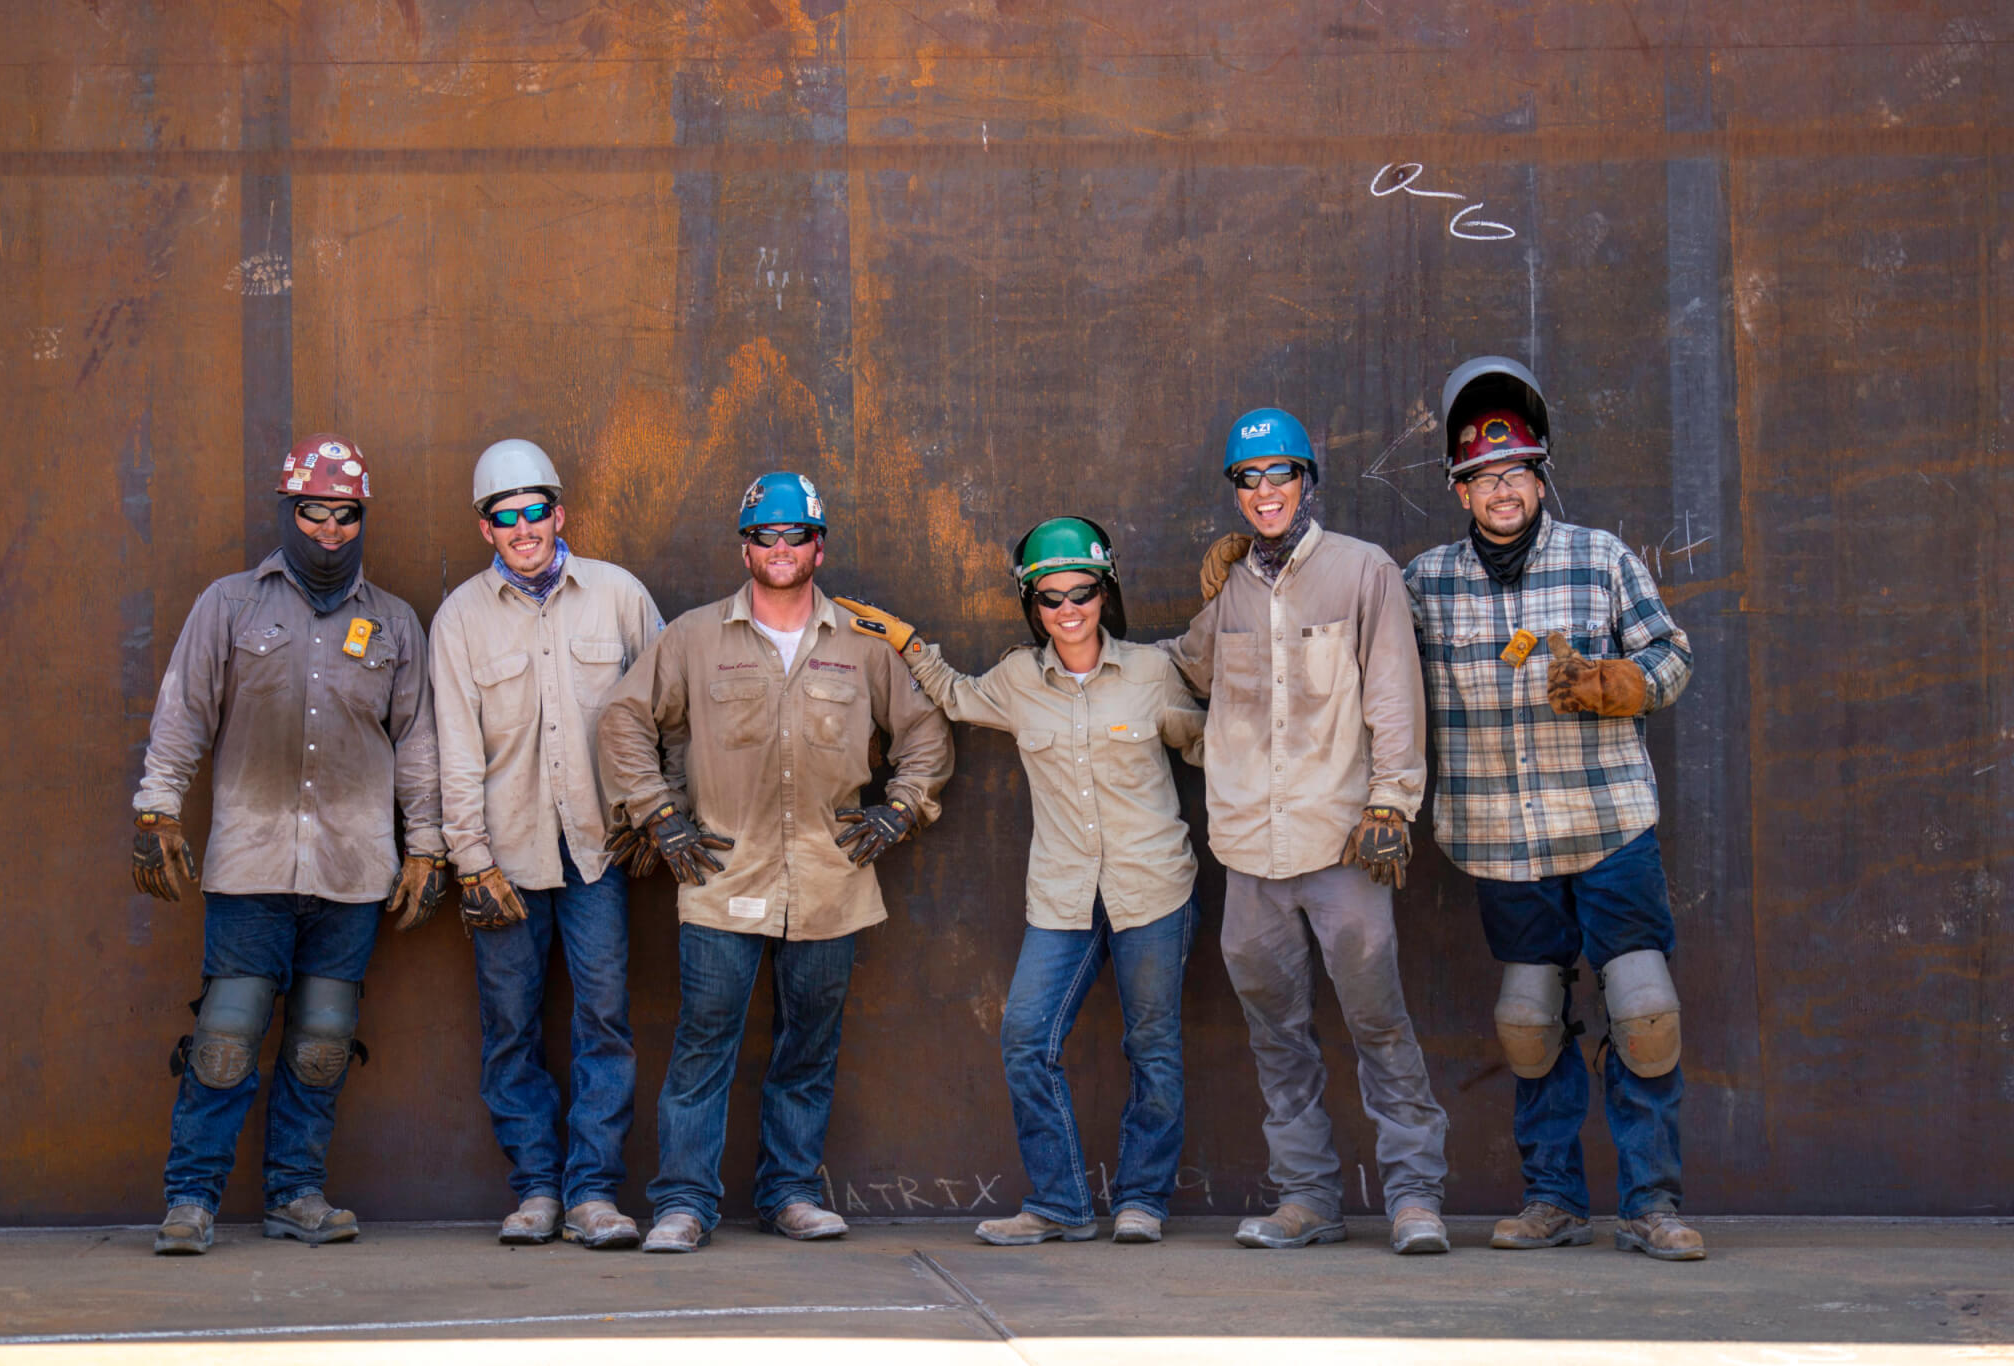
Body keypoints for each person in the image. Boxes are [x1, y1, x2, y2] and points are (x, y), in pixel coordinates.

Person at [598, 471, 953, 1253]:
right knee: (703, 1048)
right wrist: (658, 814)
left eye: (797, 535)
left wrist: (899, 810)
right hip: (724, 882)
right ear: (747, 547)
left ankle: (789, 1194)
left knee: (807, 1050)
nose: (782, 548)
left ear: (818, 547)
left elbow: (925, 736)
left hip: (831, 884)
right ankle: (684, 1205)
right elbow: (623, 721)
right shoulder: (694, 637)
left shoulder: (863, 643)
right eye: (767, 536)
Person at [1404, 357, 1704, 1261]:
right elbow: (1359, 654)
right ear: (1462, 491)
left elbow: (1674, 657)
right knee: (1530, 1023)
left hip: (1609, 828)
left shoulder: (1602, 557)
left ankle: (1652, 1205)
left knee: (1645, 1012)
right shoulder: (1423, 584)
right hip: (1500, 840)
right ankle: (1554, 1201)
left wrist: (1622, 682)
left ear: (1540, 478)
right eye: (1484, 477)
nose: (1504, 490)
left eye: (1518, 472)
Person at [836, 517, 1206, 1246]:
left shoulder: (1154, 674)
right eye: (1051, 598)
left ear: (1106, 593)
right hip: (1064, 894)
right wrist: (908, 641)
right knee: (1026, 1037)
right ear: (1032, 606)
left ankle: (1143, 1201)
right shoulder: (1015, 681)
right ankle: (1061, 1203)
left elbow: (1213, 743)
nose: (1069, 610)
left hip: (1154, 888)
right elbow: (956, 696)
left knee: (1153, 1047)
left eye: (1083, 593)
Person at [133, 433, 449, 1256]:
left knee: (322, 1040)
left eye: (347, 516)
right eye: (315, 512)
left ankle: (297, 1195)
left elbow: (415, 741)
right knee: (227, 1035)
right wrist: (157, 811)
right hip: (252, 860)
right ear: (288, 511)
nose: (332, 532)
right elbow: (183, 716)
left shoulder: (393, 623)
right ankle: (190, 1200)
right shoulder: (230, 605)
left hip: (352, 870)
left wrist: (427, 847)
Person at [1171, 408, 1451, 1256]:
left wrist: (1391, 805)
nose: (1265, 493)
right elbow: (1186, 670)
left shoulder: (1363, 573)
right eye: (1249, 480)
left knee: (1378, 1021)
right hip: (1251, 851)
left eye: (1280, 475)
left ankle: (1414, 1198)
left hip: (1343, 844)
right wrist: (1203, 599)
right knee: (1275, 1032)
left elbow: (1395, 694)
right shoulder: (1230, 592)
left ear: (1308, 482)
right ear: (1237, 493)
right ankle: (1307, 1198)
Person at [430, 438, 662, 1251]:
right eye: (506, 515)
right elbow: (455, 748)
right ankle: (536, 1191)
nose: (523, 527)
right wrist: (470, 860)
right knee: (511, 1026)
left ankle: (595, 1193)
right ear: (486, 527)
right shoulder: (459, 618)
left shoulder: (618, 596)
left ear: (559, 514)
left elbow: (664, 713)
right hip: (504, 859)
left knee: (604, 1019)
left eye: (536, 511)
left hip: (600, 851)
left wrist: (656, 812)